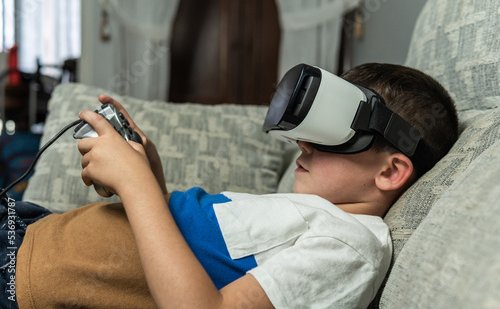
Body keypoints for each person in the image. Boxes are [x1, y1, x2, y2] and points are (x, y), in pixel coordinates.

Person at [2, 63, 458, 309]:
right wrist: (148, 174)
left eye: (331, 136)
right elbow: (184, 245)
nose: (303, 143)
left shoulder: (353, 245)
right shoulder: (315, 209)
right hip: (33, 228)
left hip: (22, 279)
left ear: (391, 172)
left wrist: (136, 185)